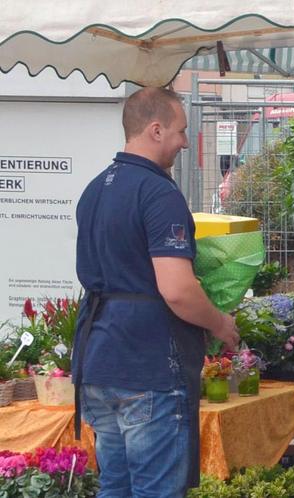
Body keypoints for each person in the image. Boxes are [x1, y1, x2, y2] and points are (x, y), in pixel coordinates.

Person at [73, 87, 241, 497]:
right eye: (181, 131)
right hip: (148, 367)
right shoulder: (159, 193)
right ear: (155, 129)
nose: (185, 141)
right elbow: (178, 289)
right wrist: (221, 324)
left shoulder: (95, 188)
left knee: (115, 487)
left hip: (99, 361)